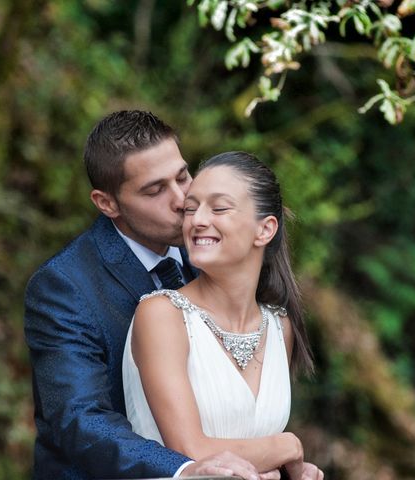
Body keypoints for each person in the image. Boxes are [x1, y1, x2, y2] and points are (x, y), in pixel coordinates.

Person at [24, 111, 262, 479]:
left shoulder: (214, 255)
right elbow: (80, 419)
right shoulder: (63, 287)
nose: (184, 199)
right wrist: (182, 471)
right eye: (155, 190)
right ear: (107, 203)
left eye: (183, 176)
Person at [122, 151, 324, 480]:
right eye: (191, 209)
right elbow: (189, 450)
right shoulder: (162, 315)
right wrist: (287, 447)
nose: (197, 220)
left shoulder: (279, 325)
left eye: (219, 208)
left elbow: (248, 459)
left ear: (265, 230)